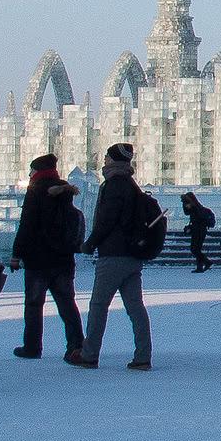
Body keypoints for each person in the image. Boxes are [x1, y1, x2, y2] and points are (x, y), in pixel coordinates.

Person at [73, 142, 153, 371]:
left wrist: (90, 244)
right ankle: (143, 355)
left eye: (106, 157)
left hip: (113, 254)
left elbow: (107, 220)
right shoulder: (131, 185)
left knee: (98, 305)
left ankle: (89, 354)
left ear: (113, 160)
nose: (104, 161)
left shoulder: (114, 185)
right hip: (132, 254)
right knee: (135, 307)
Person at [11, 152, 84, 361]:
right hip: (63, 259)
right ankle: (76, 345)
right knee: (67, 303)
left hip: (38, 259)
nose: (30, 173)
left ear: (38, 171)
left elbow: (27, 225)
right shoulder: (65, 193)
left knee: (34, 305)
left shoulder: (35, 191)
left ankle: (32, 347)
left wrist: (16, 254)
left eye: (32, 169)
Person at [180, 191, 216, 273]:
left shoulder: (195, 208)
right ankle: (200, 266)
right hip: (201, 230)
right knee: (197, 249)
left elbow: (188, 213)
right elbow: (187, 212)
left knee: (194, 249)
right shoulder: (197, 207)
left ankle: (207, 262)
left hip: (198, 230)